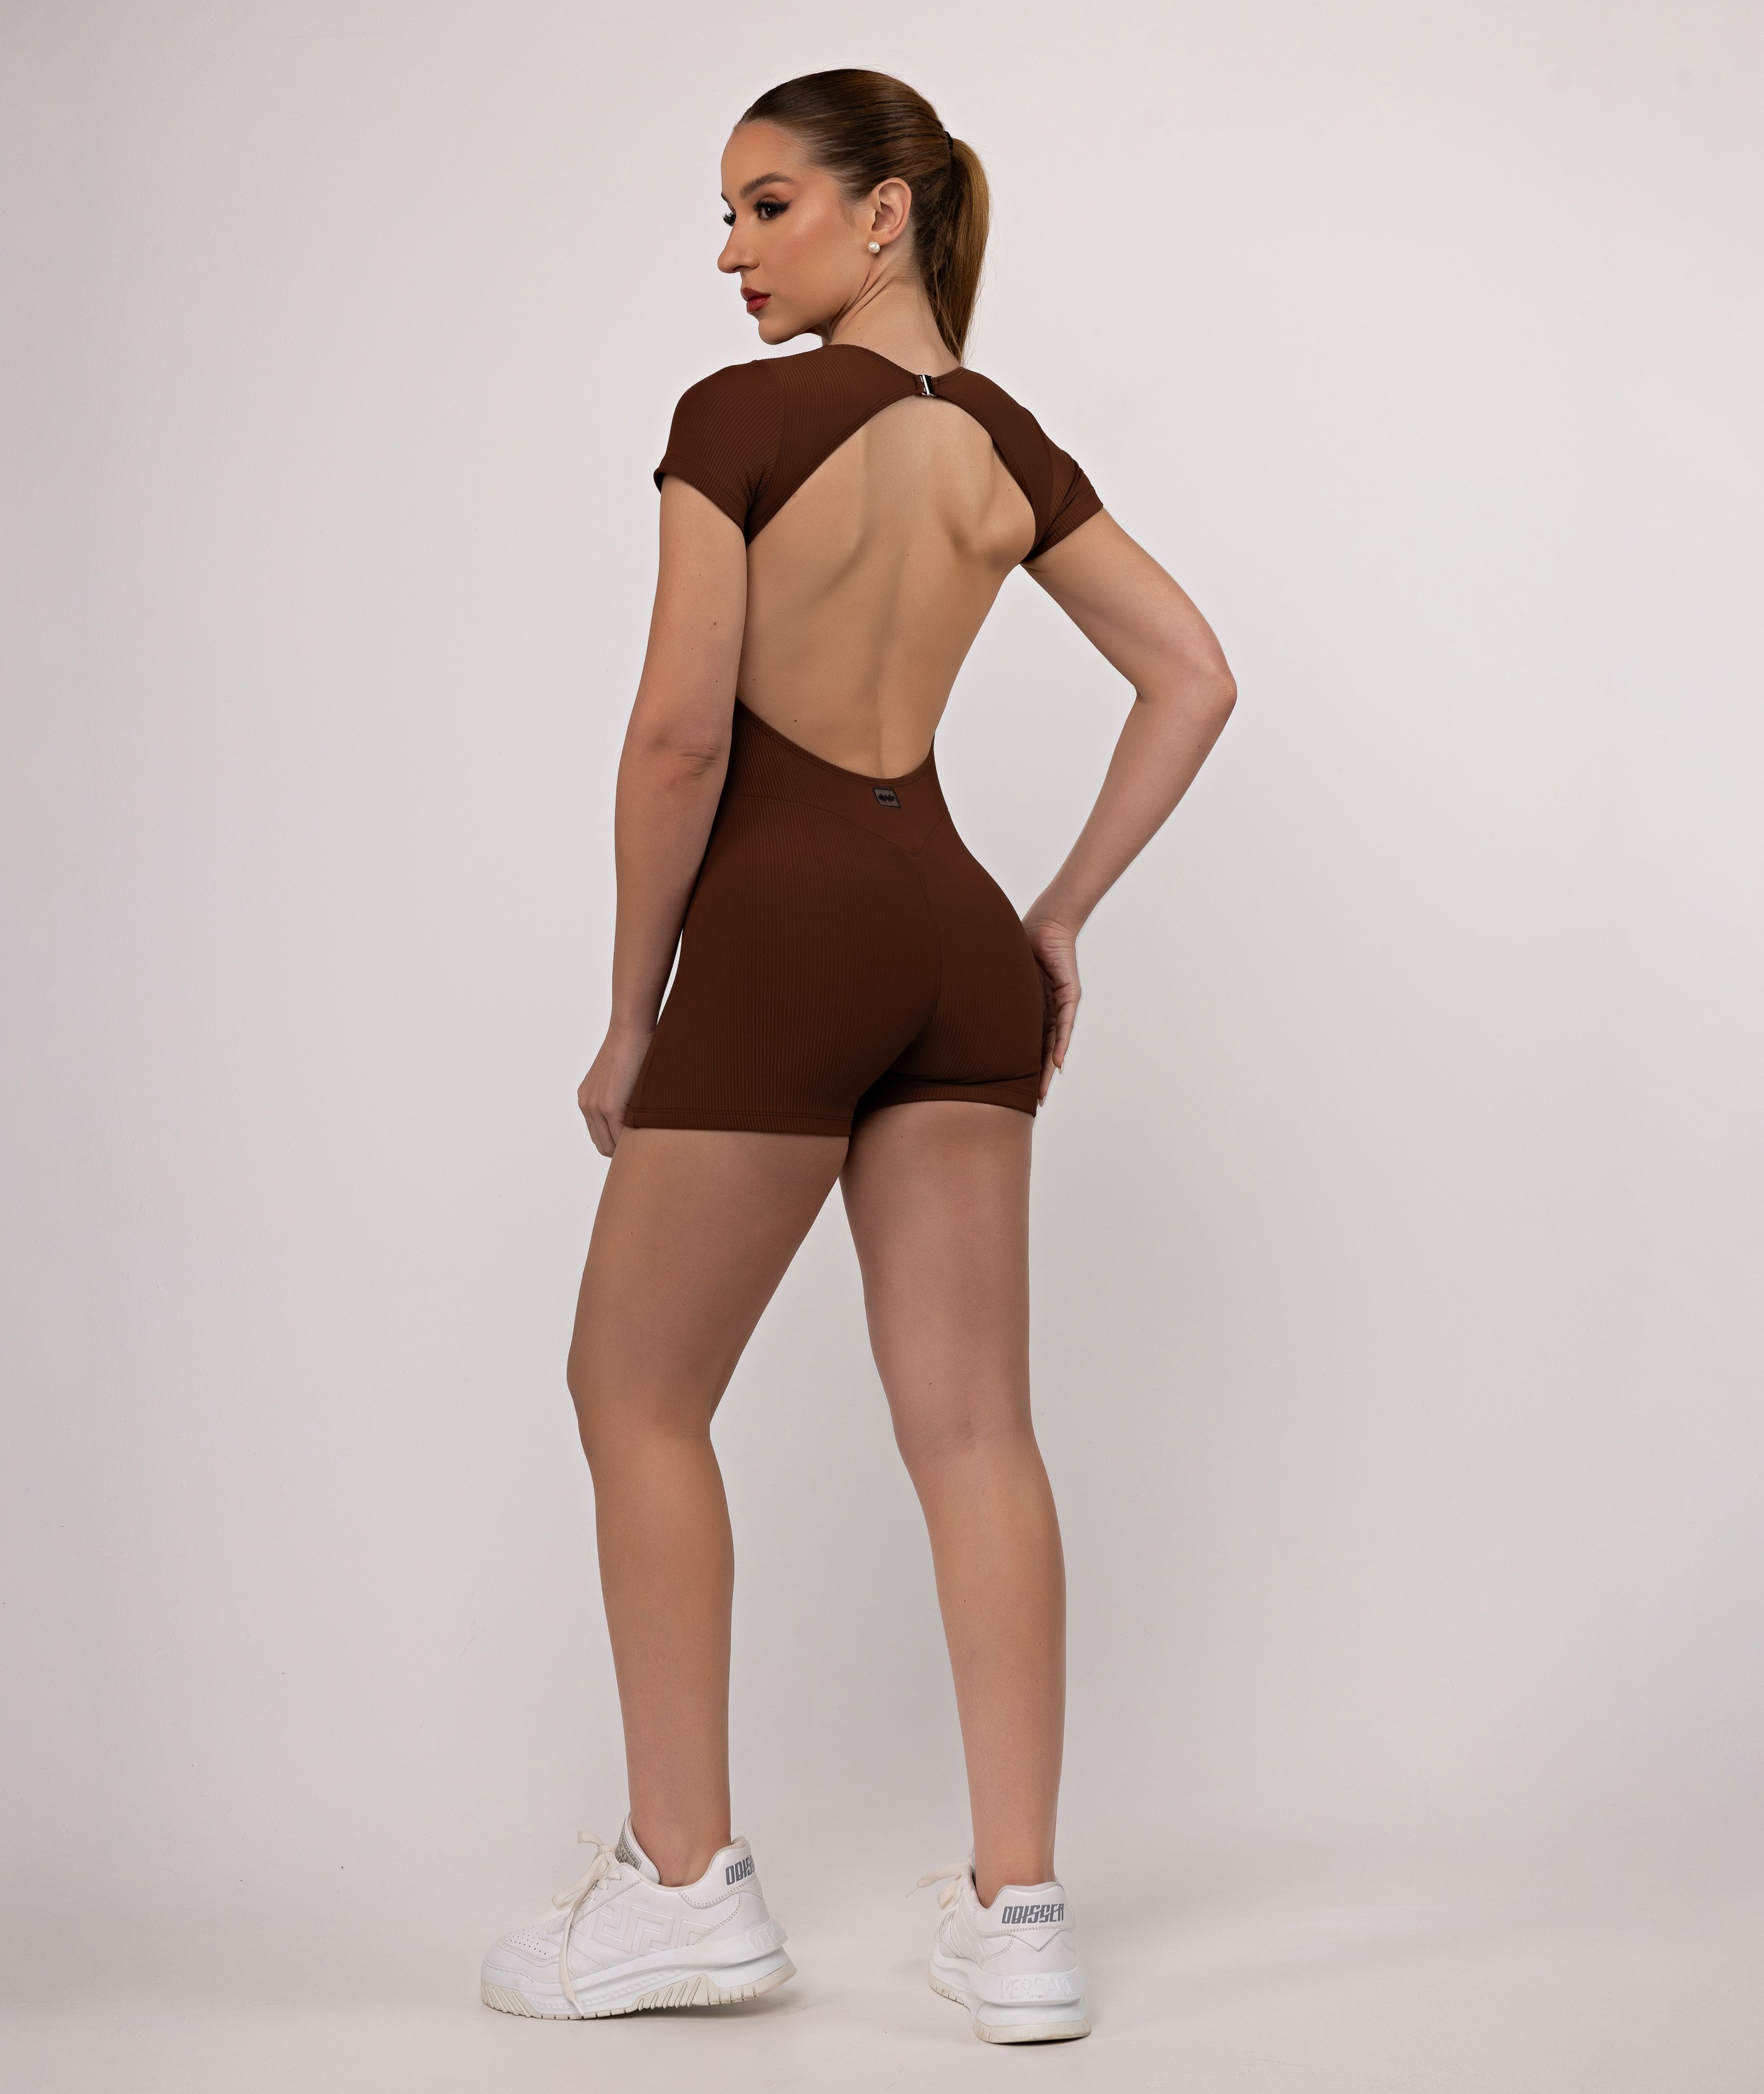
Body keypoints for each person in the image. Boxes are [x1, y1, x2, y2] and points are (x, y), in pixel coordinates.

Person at [481, 68, 1236, 2042]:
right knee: (976, 1429)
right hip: (955, 935)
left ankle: (680, 1889)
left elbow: (680, 739)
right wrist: (1055, 915)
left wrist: (633, 1008)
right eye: (728, 215)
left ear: (884, 212)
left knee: (634, 1390)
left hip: (792, 928)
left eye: (768, 205)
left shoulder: (738, 424)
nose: (731, 253)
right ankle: (1021, 1916)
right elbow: (1194, 672)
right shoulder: (1004, 444)